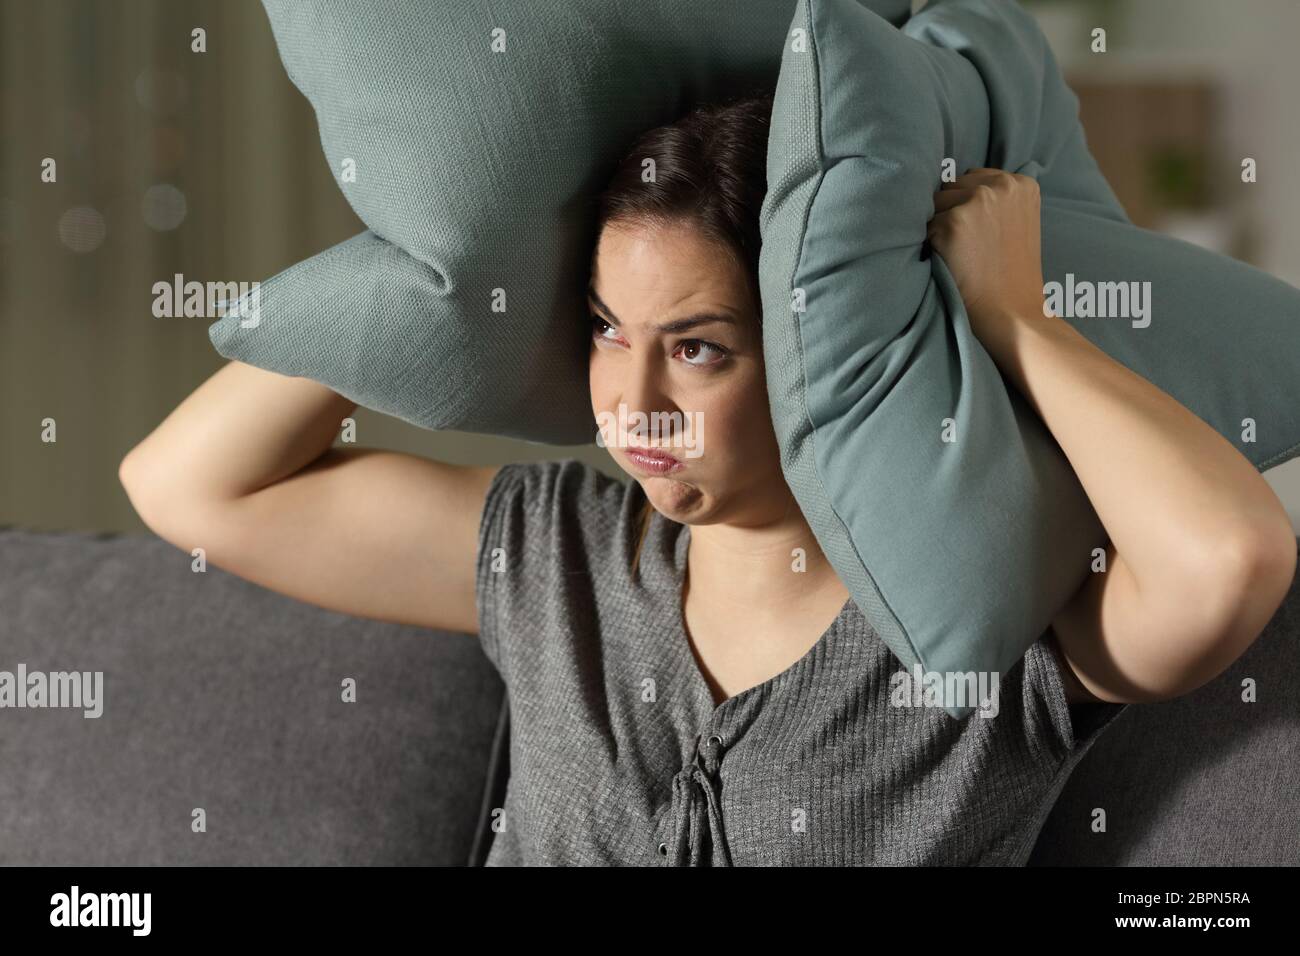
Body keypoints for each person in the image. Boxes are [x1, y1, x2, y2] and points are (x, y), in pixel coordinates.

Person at [120, 89, 1296, 865]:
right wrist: (441, 262)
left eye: (696, 347)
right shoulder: (556, 552)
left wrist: (1017, 320)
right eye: (601, 328)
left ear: (814, 352)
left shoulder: (991, 617)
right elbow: (188, 485)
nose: (630, 405)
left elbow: (1227, 557)